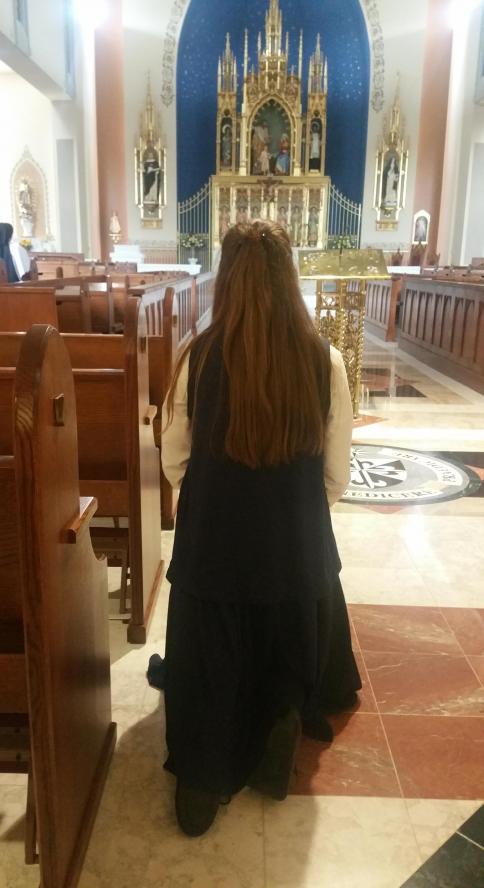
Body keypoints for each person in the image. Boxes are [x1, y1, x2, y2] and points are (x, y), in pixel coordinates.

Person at [151, 221, 360, 837]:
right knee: (286, 634)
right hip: (295, 557)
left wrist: (221, 504)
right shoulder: (327, 361)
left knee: (210, 659)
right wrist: (288, 514)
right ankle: (281, 715)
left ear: (227, 280)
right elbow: (336, 476)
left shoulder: (199, 356)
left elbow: (173, 462)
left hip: (213, 553)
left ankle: (203, 772)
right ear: (288, 279)